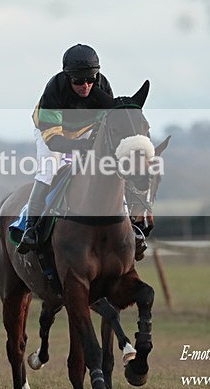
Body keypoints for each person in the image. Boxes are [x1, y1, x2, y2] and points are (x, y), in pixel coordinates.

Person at [17, 44, 148, 256]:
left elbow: (110, 124)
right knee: (48, 171)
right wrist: (78, 147)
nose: (85, 85)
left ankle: (129, 223)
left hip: (86, 131)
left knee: (108, 167)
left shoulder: (103, 87)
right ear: (68, 77)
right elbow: (53, 139)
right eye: (78, 81)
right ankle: (31, 228)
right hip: (52, 132)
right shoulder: (54, 89)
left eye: (90, 79)